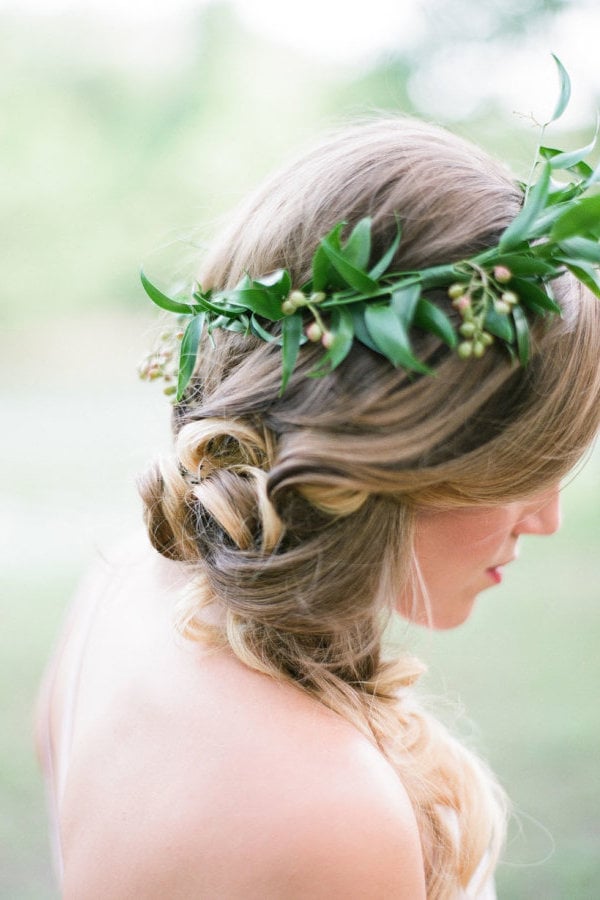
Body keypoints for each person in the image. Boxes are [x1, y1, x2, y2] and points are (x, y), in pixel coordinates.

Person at [36, 116, 600, 899]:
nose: (546, 520)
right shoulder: (330, 813)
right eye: (521, 471)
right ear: (391, 455)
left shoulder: (125, 578)